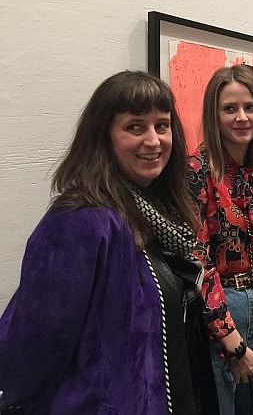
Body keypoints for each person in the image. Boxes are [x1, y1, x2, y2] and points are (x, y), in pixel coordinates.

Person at [0, 70, 218, 414]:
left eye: (162, 126)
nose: (153, 140)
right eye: (135, 127)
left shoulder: (157, 214)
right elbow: (33, 343)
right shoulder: (81, 219)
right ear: (104, 136)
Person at [187, 65, 253, 415]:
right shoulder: (196, 172)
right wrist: (231, 344)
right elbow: (198, 263)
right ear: (213, 114)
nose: (242, 117)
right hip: (220, 310)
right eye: (229, 108)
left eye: (250, 107)